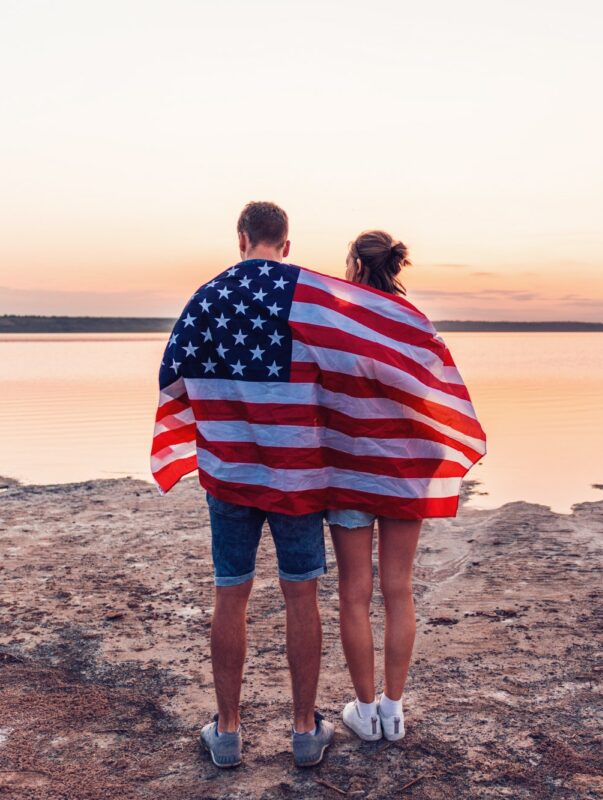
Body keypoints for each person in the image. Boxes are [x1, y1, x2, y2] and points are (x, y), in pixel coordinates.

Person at [195, 202, 334, 768]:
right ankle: (305, 732)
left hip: (230, 470)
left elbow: (179, 371)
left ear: (242, 237)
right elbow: (339, 372)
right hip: (297, 473)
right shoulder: (311, 297)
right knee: (301, 593)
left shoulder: (207, 297)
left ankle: (227, 732)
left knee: (232, 591)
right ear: (286, 243)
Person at [328, 231, 420, 742]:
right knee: (399, 590)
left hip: (351, 475)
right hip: (404, 473)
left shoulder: (338, 325)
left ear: (354, 266)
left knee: (355, 594)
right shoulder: (415, 324)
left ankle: (365, 713)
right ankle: (394, 709)